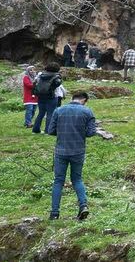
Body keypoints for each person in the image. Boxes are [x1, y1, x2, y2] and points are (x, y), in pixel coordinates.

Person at [47, 91, 96, 220]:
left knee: (58, 181)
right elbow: (91, 133)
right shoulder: (87, 112)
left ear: (72, 98)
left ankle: (54, 213)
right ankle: (83, 205)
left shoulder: (59, 110)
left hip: (61, 151)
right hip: (78, 150)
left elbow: (51, 130)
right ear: (84, 100)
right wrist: (80, 132)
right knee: (77, 180)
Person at [32, 62, 63, 134]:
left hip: (41, 96)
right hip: (51, 97)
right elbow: (58, 85)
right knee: (50, 114)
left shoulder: (40, 75)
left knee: (41, 113)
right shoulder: (56, 76)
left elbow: (35, 82)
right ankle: (48, 131)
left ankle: (36, 130)